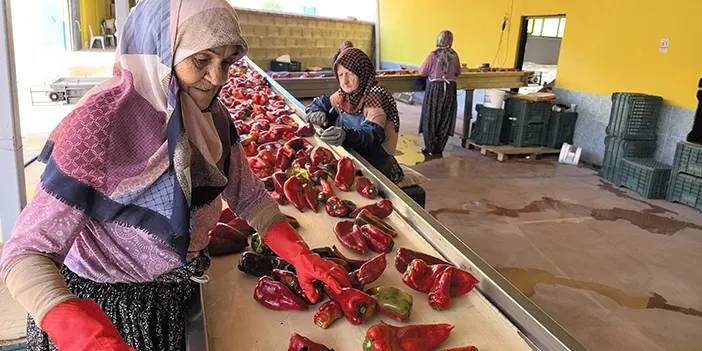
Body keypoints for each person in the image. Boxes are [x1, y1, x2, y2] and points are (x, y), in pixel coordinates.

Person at [0, 1, 349, 350]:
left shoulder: (210, 117)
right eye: (202, 60)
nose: (218, 78)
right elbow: (24, 256)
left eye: (226, 61)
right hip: (105, 314)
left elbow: (249, 196)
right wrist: (87, 336)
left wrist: (300, 255)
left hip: (172, 301)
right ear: (160, 52)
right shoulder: (98, 127)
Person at [305, 48, 405, 184]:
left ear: (361, 72)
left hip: (375, 166)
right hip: (353, 158)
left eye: (350, 74)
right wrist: (316, 112)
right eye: (340, 75)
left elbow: (373, 134)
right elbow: (322, 102)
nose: (345, 81)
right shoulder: (346, 93)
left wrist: (346, 135)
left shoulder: (376, 94)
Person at [418, 30, 461, 156]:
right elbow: (458, 72)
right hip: (450, 89)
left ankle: (430, 146)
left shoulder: (433, 55)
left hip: (435, 88)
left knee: (430, 117)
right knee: (445, 117)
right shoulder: (455, 55)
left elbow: (422, 72)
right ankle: (439, 148)